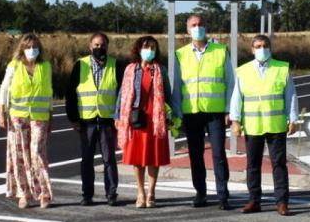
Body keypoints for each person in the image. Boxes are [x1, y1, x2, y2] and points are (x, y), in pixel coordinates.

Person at [230, 35, 299, 216]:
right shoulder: (243, 71)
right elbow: (237, 97)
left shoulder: (282, 68)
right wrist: (235, 121)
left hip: (276, 125)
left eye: (265, 45)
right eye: (258, 46)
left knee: (279, 164)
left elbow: (290, 95)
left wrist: (293, 119)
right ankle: (254, 200)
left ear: (270, 48)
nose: (262, 49)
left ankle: (282, 202)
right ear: (252, 49)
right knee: (253, 164)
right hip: (253, 125)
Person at [172, 15, 233, 209]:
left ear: (205, 28)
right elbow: (177, 86)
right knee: (195, 155)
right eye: (193, 25)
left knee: (218, 154)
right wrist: (178, 113)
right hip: (192, 113)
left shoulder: (220, 50)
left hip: (215, 113)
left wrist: (228, 110)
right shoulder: (180, 54)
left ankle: (223, 195)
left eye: (200, 25)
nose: (197, 28)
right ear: (187, 30)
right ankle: (200, 193)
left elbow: (230, 82)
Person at [117, 35, 180, 209]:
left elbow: (169, 93)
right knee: (137, 158)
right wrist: (118, 117)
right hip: (136, 118)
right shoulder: (130, 69)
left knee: (153, 157)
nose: (149, 51)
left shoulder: (160, 70)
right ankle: (140, 192)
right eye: (146, 47)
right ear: (138, 49)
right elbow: (122, 94)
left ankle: (151, 192)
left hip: (156, 119)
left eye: (153, 48)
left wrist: (174, 116)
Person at [0, 33, 53, 209]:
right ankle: (24, 194)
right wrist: (1, 113)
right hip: (18, 117)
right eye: (28, 47)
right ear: (22, 48)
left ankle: (44, 193)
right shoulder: (14, 66)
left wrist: (51, 116)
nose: (31, 50)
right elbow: (4, 90)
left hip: (39, 117)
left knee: (37, 153)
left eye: (35, 47)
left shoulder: (45, 66)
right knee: (20, 155)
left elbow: (49, 92)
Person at [65, 32, 122, 207]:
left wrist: (119, 117)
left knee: (109, 159)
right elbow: (70, 94)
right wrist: (73, 118)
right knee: (87, 160)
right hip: (86, 121)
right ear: (90, 46)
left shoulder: (115, 65)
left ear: (107, 46)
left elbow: (122, 94)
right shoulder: (80, 65)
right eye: (96, 45)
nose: (99, 48)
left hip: (107, 121)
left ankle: (111, 194)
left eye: (102, 44)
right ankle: (87, 195)